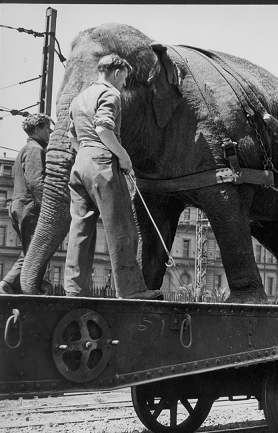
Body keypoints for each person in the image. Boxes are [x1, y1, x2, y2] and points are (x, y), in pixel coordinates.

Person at [64, 54, 161, 300]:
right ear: (117, 73)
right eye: (124, 79)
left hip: (81, 162)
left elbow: (71, 136)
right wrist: (123, 157)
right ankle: (131, 290)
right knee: (123, 226)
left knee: (81, 228)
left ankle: (74, 291)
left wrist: (86, 154)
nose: (123, 85)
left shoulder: (79, 98)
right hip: (102, 161)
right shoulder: (111, 94)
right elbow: (103, 128)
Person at [0, 114, 54, 295]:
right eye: (47, 128)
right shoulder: (35, 150)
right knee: (35, 251)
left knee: (30, 250)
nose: (50, 132)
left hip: (20, 206)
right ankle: (15, 285)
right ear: (38, 129)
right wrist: (48, 209)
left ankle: (12, 284)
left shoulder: (25, 149)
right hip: (29, 207)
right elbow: (36, 182)